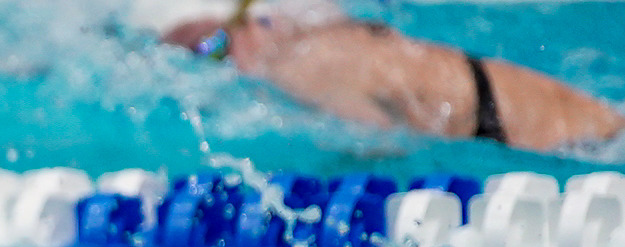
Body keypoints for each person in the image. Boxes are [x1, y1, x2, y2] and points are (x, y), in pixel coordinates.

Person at [158, 0, 624, 153]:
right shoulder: (331, 36)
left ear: (261, 24)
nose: (225, 65)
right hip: (578, 124)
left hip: (562, 141)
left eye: (215, 48)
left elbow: (385, 146)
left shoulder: (301, 68)